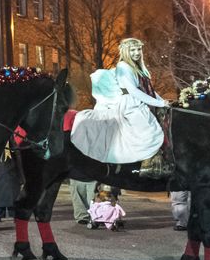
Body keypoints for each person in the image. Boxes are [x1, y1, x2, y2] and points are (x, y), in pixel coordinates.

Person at [71, 38, 169, 174]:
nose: (136, 53)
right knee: (147, 128)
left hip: (140, 101)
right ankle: (146, 164)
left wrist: (163, 102)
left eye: (138, 49)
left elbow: (149, 90)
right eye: (132, 50)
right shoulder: (124, 67)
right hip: (131, 104)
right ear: (126, 52)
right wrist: (158, 103)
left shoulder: (139, 68)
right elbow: (134, 91)